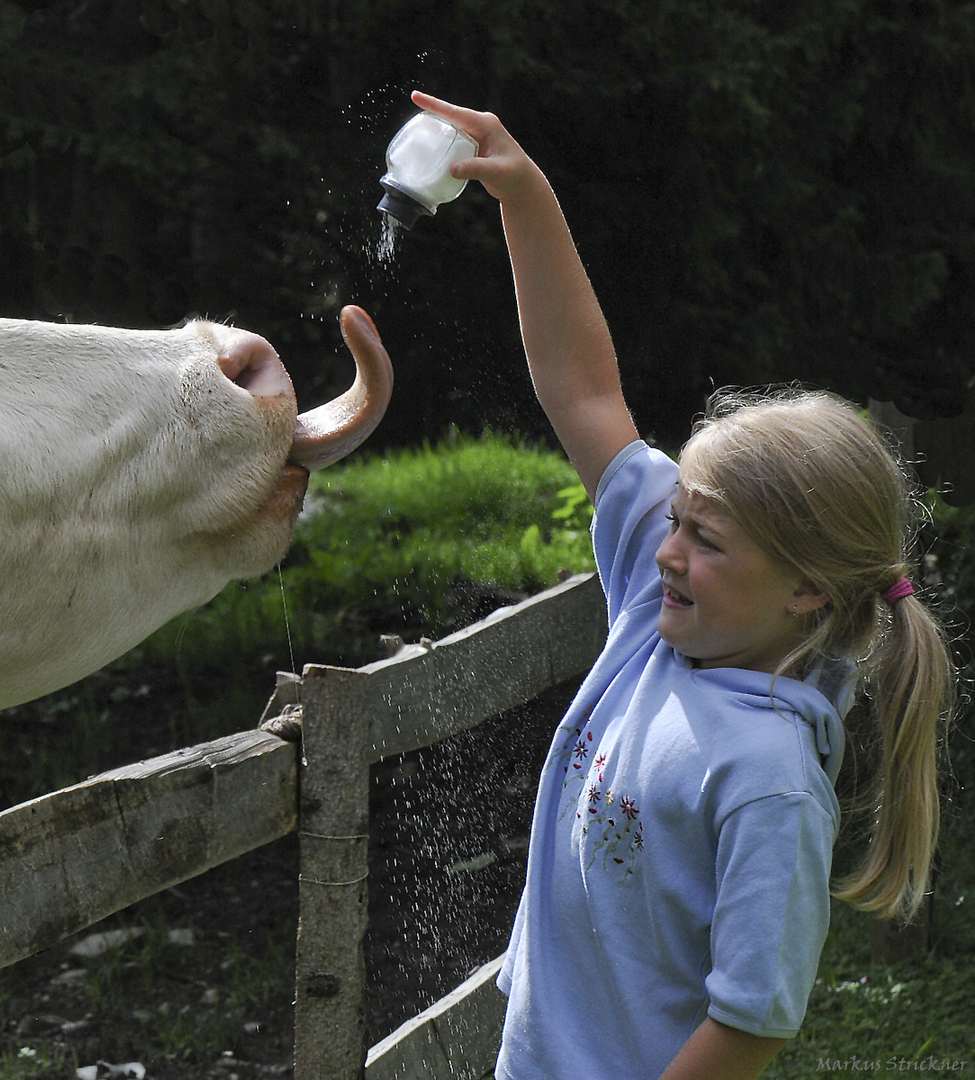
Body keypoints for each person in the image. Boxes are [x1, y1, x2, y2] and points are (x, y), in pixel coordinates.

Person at [409, 91, 956, 1080]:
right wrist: (525, 196)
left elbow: (752, 1021)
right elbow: (583, 389)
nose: (666, 550)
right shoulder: (662, 619)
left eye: (705, 538)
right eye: (675, 520)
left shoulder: (771, 781)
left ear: (803, 591)